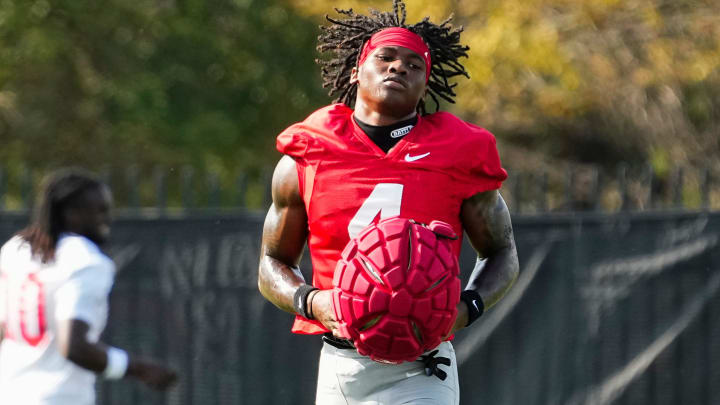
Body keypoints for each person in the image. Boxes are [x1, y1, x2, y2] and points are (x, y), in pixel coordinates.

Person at [257, 1, 519, 403]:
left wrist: (467, 308)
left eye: (415, 65)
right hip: (341, 364)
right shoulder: (308, 152)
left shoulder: (460, 151)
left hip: (423, 364)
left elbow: (502, 252)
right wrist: (310, 301)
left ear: (425, 85)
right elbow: (271, 263)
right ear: (355, 69)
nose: (398, 68)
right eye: (386, 57)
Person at [0, 169, 177, 405]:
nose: (107, 218)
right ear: (71, 213)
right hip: (58, 398)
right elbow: (74, 346)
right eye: (100, 210)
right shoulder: (85, 261)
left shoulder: (16, 250)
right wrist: (139, 368)